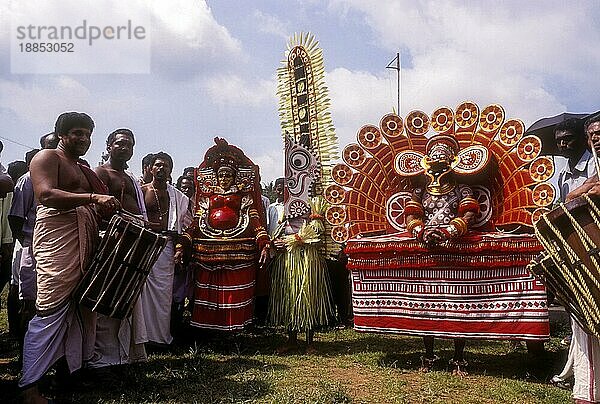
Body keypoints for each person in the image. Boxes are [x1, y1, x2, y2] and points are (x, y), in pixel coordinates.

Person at [20, 112, 118, 403]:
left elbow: (102, 203)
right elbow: (46, 195)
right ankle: (29, 390)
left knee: (78, 312)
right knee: (50, 312)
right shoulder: (47, 158)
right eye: (77, 133)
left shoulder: (84, 169)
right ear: (61, 134)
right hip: (58, 242)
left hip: (83, 240)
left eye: (87, 134)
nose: (83, 139)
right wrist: (91, 199)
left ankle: (69, 375)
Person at [403, 135, 480, 375]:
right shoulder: (419, 190)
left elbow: (469, 213)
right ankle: (428, 355)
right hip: (427, 249)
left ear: (452, 162)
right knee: (427, 303)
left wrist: (449, 231)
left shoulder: (462, 188)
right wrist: (421, 232)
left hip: (455, 249)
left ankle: (458, 358)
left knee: (457, 304)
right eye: (433, 161)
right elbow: (411, 216)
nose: (437, 166)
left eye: (442, 161)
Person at [176, 138, 269, 332]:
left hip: (240, 243)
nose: (225, 178)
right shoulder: (207, 197)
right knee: (208, 289)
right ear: (215, 177)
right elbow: (196, 221)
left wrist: (263, 240)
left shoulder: (243, 196)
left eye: (229, 174)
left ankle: (236, 325)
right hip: (208, 245)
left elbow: (254, 218)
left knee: (238, 286)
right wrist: (183, 242)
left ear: (235, 177)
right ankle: (208, 327)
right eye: (221, 174)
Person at [88, 128, 148, 373]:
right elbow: (95, 209)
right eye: (120, 144)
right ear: (109, 146)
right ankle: (103, 357)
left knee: (127, 299)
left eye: (129, 145)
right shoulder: (99, 173)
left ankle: (126, 355)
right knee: (106, 299)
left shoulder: (131, 177)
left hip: (132, 244)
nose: (125, 148)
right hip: (109, 244)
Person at [551, 113, 600, 403]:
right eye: (593, 134)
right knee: (585, 320)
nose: (597, 139)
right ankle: (586, 391)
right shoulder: (567, 172)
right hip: (587, 251)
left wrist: (582, 192)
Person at [140, 152, 191, 345]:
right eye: (158, 165)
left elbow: (183, 226)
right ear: (151, 168)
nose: (162, 169)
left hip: (166, 248)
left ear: (171, 170)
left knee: (164, 294)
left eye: (166, 166)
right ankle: (142, 338)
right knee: (142, 294)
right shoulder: (142, 190)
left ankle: (160, 338)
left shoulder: (178, 196)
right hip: (145, 246)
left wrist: (179, 248)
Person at [171, 175, 195, 338]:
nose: (186, 190)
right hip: (175, 251)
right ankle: (173, 328)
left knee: (190, 290)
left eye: (189, 187)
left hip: (192, 255)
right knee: (175, 292)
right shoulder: (175, 205)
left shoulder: (196, 207)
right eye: (183, 186)